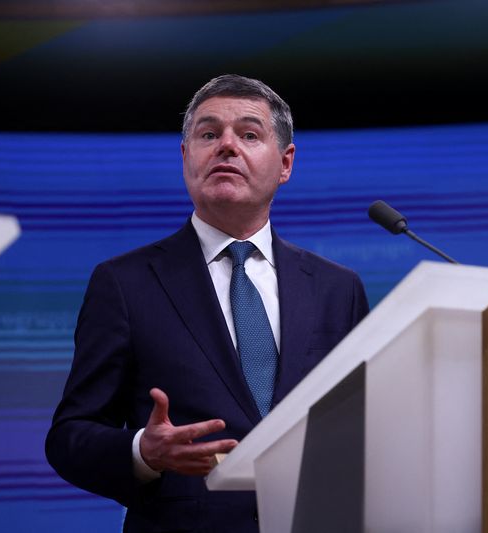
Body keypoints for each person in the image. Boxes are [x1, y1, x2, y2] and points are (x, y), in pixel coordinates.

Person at [45, 74, 370, 532]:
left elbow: (365, 432)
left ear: (285, 163)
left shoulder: (338, 289)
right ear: (186, 157)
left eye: (250, 134)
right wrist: (143, 452)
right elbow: (69, 436)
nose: (226, 146)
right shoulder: (124, 283)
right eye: (208, 134)